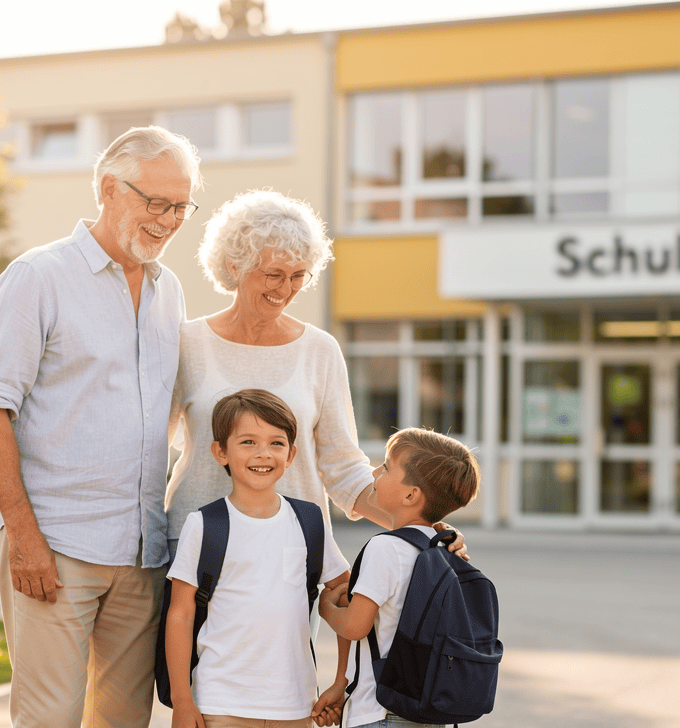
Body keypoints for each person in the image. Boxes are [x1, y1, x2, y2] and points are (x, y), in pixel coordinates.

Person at [0, 126, 202, 728]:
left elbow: (172, 413)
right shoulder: (38, 276)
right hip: (56, 546)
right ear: (107, 189)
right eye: (155, 202)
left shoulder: (168, 291)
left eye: (180, 206)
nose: (168, 220)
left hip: (141, 551)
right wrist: (24, 533)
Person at [165, 189, 467, 563]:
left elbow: (342, 467)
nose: (285, 290)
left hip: (291, 548)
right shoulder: (186, 343)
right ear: (233, 266)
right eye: (273, 274)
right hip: (195, 543)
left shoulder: (319, 350)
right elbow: (147, 448)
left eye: (297, 276)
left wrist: (420, 527)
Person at [165, 389, 351, 728]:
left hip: (295, 708)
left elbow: (344, 594)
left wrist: (340, 679)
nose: (263, 454)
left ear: (291, 454)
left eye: (276, 443)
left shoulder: (310, 522)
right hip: (221, 706)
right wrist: (183, 702)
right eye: (248, 442)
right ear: (221, 453)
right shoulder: (204, 525)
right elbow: (180, 615)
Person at [318, 428, 480, 728]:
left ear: (411, 495)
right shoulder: (444, 549)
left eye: (387, 468)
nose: (375, 473)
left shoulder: (385, 548)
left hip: (380, 718)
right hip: (428, 721)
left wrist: (326, 608)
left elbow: (356, 626)